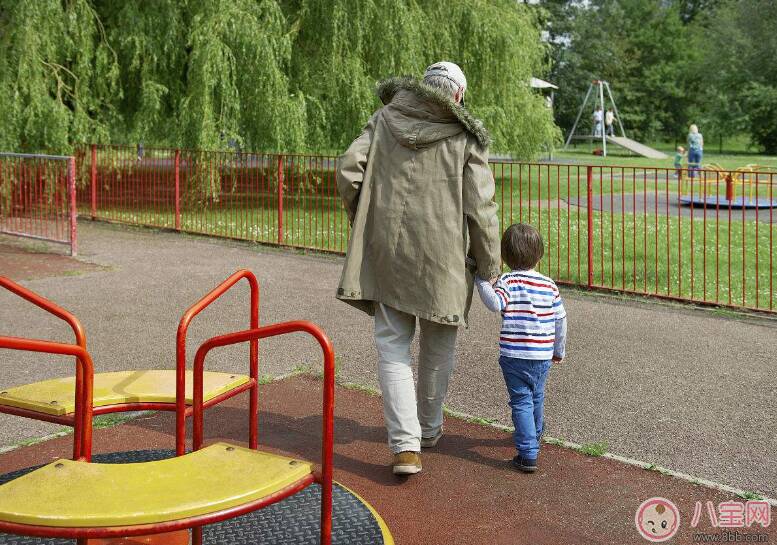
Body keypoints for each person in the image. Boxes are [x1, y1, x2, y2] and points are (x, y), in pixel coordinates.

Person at [336, 61, 501, 475]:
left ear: (424, 89)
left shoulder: (384, 117)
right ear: (458, 95)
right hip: (443, 260)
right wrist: (489, 265)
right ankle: (428, 430)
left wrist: (365, 219)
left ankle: (405, 447)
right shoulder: (465, 137)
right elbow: (481, 208)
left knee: (392, 348)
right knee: (438, 347)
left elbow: (347, 171)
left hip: (387, 252)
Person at [475, 223, 567, 473]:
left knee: (521, 401)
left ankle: (527, 453)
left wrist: (481, 282)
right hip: (542, 354)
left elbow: (495, 304)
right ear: (540, 254)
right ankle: (535, 434)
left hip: (514, 355)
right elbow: (560, 320)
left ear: (504, 256)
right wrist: (559, 350)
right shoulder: (549, 285)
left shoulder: (508, 281)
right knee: (536, 395)